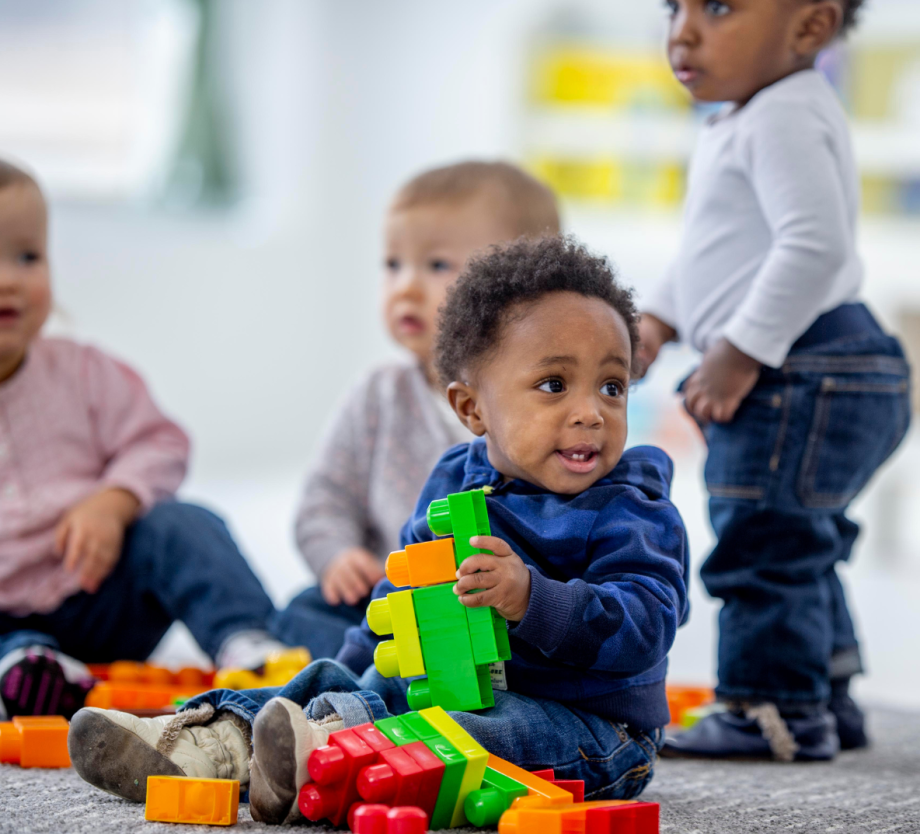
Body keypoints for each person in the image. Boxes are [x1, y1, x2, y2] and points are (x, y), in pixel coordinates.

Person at [69, 237, 689, 822]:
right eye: (554, 385)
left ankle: (327, 752)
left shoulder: (632, 508)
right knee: (343, 681)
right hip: (450, 690)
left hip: (589, 728)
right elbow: (400, 601)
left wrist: (533, 598)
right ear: (472, 408)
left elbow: (647, 625)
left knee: (468, 734)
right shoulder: (454, 482)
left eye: (612, 387)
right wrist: (350, 673)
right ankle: (216, 739)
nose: (591, 412)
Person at [638, 0, 910, 760]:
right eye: (673, 4)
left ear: (809, 28)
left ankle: (772, 707)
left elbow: (813, 246)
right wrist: (659, 319)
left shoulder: (782, 114)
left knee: (762, 539)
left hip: (803, 369)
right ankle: (824, 693)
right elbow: (714, 252)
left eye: (717, 4)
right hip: (831, 364)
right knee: (798, 535)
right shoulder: (747, 117)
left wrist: (738, 350)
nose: (683, 30)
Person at [0, 160, 291, 719]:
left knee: (181, 524)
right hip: (7, 618)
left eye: (28, 257)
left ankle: (248, 640)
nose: (11, 279)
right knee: (10, 646)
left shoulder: (84, 372)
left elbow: (160, 443)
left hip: (100, 594)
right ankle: (29, 671)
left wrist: (114, 501)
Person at [276, 161, 561, 658]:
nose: (405, 287)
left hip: (493, 607)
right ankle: (382, 667)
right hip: (392, 603)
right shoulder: (378, 394)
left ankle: (390, 672)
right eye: (393, 265)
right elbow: (325, 498)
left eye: (436, 266)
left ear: (524, 291)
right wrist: (339, 556)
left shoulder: (539, 403)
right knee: (302, 613)